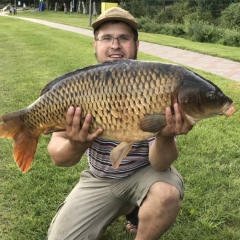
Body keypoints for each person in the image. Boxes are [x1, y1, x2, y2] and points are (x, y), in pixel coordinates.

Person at [47, 7, 192, 240]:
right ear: (95, 45)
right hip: (100, 178)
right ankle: (124, 207)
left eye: (123, 38)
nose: (115, 45)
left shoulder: (156, 83)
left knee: (166, 193)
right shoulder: (77, 88)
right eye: (107, 38)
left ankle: (138, 209)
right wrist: (76, 144)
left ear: (136, 45)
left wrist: (164, 136)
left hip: (146, 174)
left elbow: (160, 162)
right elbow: (59, 158)